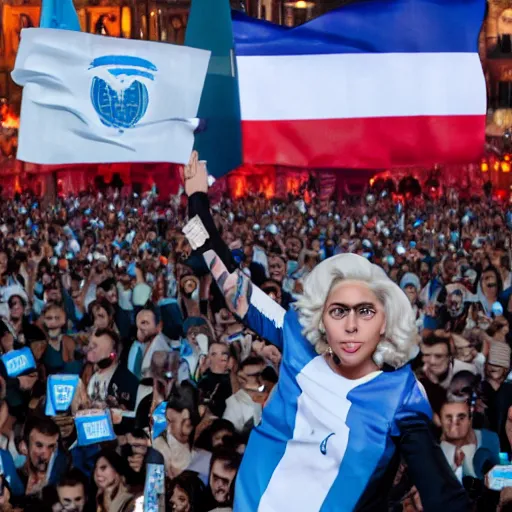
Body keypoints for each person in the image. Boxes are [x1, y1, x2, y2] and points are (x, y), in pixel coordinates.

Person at [182, 152, 470, 511]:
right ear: (321, 320)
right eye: (338, 312)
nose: (351, 325)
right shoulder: (298, 340)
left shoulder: (401, 394)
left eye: (365, 312)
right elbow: (233, 289)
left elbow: (438, 485)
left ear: (385, 322)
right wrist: (196, 201)